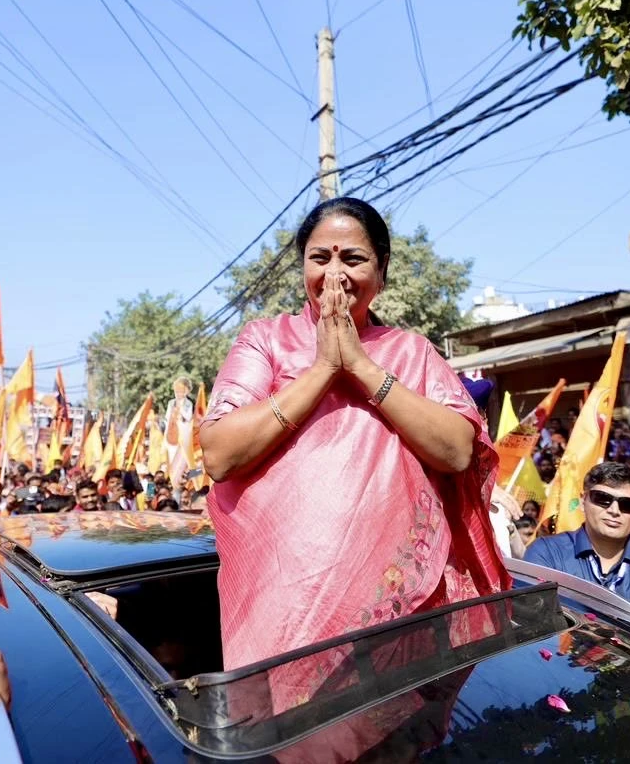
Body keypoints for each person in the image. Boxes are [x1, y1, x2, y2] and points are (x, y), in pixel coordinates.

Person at [200, 197, 509, 670]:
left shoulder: (412, 352)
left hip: (394, 618)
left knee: (385, 731)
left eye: (354, 258)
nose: (335, 275)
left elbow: (457, 451)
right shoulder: (264, 340)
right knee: (287, 734)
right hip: (282, 605)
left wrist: (361, 367)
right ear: (302, 267)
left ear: (381, 273)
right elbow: (220, 455)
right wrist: (324, 368)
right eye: (320, 258)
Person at [525, 462, 630, 629]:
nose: (614, 510)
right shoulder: (546, 552)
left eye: (626, 505)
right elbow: (535, 625)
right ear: (583, 501)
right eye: (603, 499)